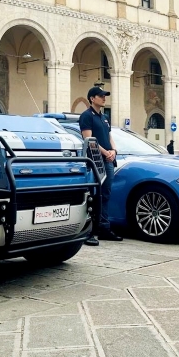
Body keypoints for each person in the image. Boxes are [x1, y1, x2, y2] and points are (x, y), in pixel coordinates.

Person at [79, 86, 122, 245]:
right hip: (95, 160)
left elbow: (109, 136)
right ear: (92, 98)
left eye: (105, 96)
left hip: (108, 159)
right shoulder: (86, 116)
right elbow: (89, 140)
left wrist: (114, 150)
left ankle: (104, 228)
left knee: (106, 193)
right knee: (94, 194)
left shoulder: (104, 117)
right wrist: (106, 152)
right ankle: (90, 230)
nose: (104, 98)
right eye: (101, 96)